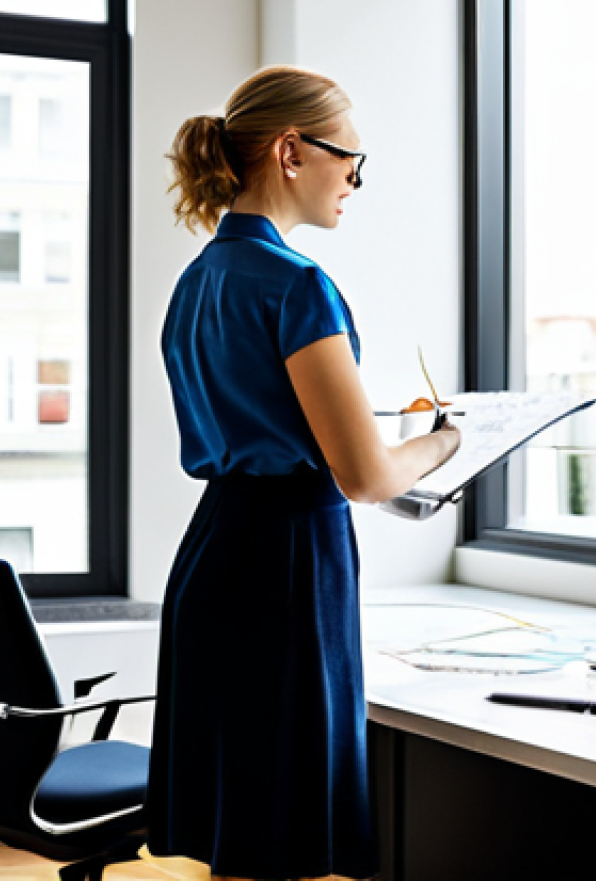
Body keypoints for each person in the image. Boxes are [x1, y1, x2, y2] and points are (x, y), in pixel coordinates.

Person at [147, 65, 460, 881]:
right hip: (288, 561)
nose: (356, 177)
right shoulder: (300, 287)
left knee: (241, 832)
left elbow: (272, 423)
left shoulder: (196, 283)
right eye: (350, 157)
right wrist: (446, 442)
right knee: (286, 831)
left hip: (216, 551)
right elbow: (363, 476)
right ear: (291, 151)